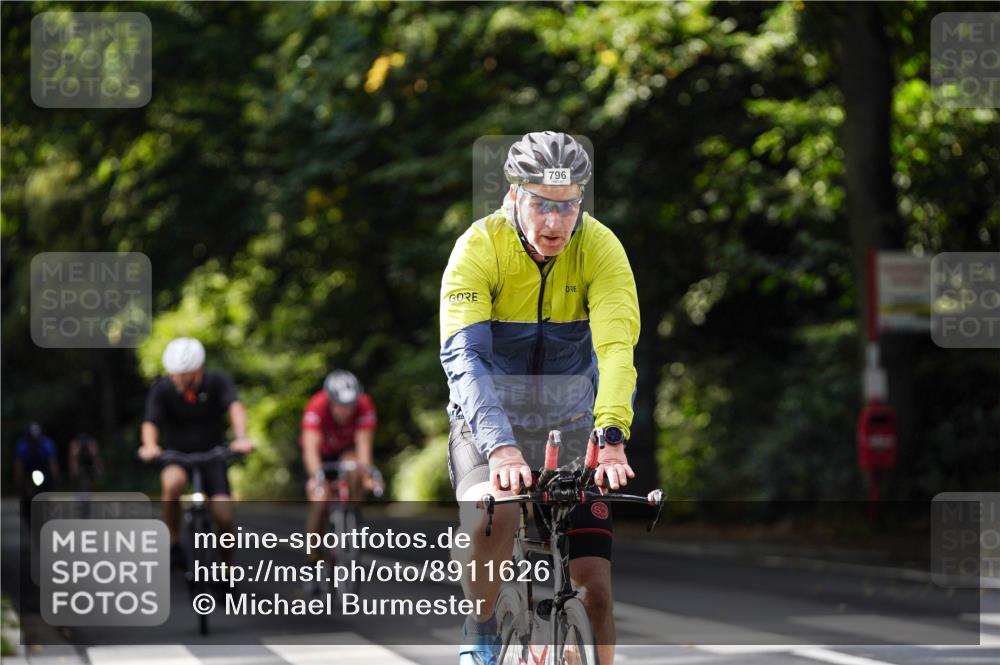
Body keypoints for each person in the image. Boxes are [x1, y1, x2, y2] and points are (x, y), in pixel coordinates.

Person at [440, 131, 640, 665]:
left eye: (568, 206)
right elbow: (465, 358)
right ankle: (481, 627)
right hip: (489, 422)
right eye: (541, 205)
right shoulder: (478, 247)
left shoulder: (600, 247)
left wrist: (612, 433)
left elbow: (617, 348)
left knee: (595, 590)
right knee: (493, 513)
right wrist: (501, 448)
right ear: (514, 195)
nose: (554, 223)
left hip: (572, 422)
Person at [138, 337, 254, 566]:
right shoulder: (162, 388)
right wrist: (150, 445)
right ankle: (173, 543)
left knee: (224, 516)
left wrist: (241, 438)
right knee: (171, 484)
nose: (176, 379)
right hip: (176, 456)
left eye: (182, 374)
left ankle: (228, 571)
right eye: (173, 374)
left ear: (197, 371)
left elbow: (235, 407)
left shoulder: (217, 381)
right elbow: (151, 422)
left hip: (213, 456)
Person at [299, 370, 379, 587]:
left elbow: (364, 445)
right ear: (330, 400)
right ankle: (313, 557)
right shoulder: (317, 406)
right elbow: (310, 448)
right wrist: (317, 479)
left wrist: (367, 475)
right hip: (322, 456)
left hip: (347, 453)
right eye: (340, 406)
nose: (345, 412)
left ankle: (349, 516)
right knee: (320, 501)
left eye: (350, 406)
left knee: (356, 471)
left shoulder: (364, 405)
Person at [14, 422, 61, 524]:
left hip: (43, 470)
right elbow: (19, 465)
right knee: (24, 490)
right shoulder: (22, 445)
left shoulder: (47, 444)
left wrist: (55, 479)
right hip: (28, 471)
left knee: (49, 488)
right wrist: (19, 481)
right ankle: (25, 509)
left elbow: (52, 463)